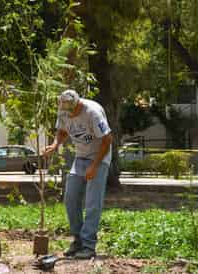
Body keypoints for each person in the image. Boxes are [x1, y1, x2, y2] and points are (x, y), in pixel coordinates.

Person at [44, 89, 113, 259]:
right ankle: (78, 240)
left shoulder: (93, 113)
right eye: (65, 111)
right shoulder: (63, 110)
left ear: (78, 104)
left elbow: (107, 139)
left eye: (72, 111)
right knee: (70, 198)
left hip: (99, 157)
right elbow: (62, 131)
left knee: (92, 202)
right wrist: (54, 145)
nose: (69, 115)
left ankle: (89, 246)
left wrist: (94, 166)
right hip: (80, 157)